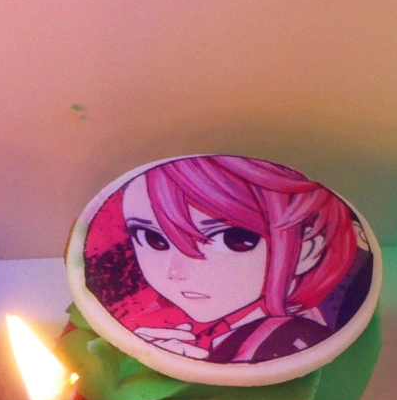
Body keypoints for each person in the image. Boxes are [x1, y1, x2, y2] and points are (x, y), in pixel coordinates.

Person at [86, 155, 369, 366]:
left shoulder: (292, 340)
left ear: (306, 250)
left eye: (232, 239)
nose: (175, 270)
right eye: (152, 239)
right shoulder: (185, 329)